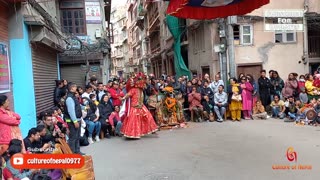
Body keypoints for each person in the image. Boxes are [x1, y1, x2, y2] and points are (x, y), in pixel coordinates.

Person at [121, 73, 158, 139]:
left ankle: (150, 130)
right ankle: (132, 134)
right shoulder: (133, 90)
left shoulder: (141, 90)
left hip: (141, 106)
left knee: (148, 117)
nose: (143, 83)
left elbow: (148, 88)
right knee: (134, 122)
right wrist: (123, 98)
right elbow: (128, 95)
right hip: (134, 107)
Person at [64, 83, 84, 155]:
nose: (76, 88)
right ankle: (72, 153)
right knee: (73, 138)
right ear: (71, 88)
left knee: (77, 136)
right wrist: (75, 121)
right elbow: (71, 111)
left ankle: (77, 151)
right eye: (75, 87)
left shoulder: (73, 96)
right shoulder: (69, 98)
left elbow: (77, 106)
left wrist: (84, 108)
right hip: (72, 121)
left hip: (77, 120)